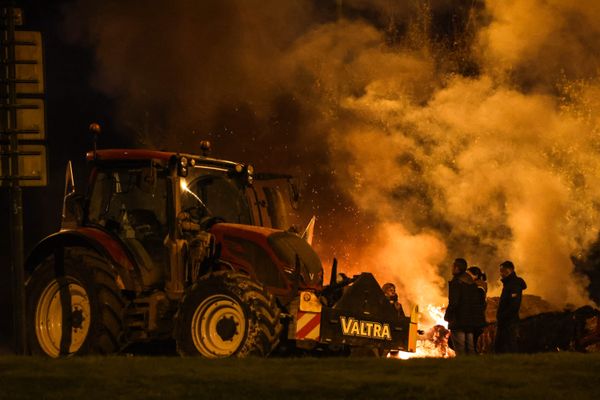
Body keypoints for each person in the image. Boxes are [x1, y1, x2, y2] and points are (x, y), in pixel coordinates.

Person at [443, 258, 481, 355]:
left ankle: (462, 368)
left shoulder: (456, 282)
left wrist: (448, 316)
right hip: (470, 322)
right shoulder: (472, 283)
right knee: (470, 348)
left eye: (453, 266)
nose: (451, 269)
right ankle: (474, 368)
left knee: (460, 349)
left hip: (458, 321)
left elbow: (454, 303)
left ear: (457, 268)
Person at [495, 260, 527, 353]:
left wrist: (502, 316)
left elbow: (514, 305)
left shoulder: (514, 284)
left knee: (510, 344)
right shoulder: (508, 283)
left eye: (502, 271)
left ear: (509, 270)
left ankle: (513, 363)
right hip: (505, 320)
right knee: (501, 345)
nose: (500, 274)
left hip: (509, 321)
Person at [466, 266, 488, 353]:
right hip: (476, 320)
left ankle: (472, 361)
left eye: (468, 275)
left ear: (475, 275)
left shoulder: (478, 287)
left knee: (471, 346)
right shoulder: (479, 285)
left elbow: (477, 305)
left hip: (475, 320)